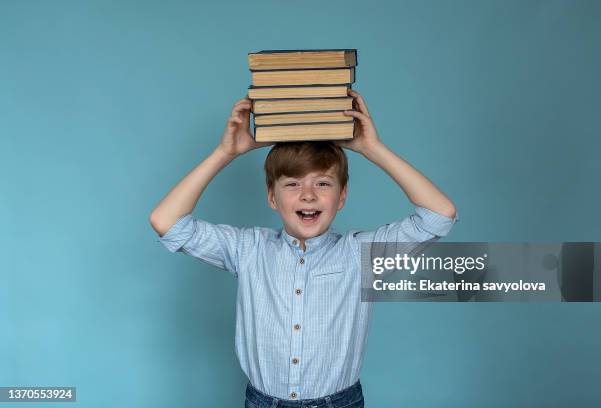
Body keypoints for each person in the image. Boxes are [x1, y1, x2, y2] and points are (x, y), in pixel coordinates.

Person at [149, 89, 458, 407]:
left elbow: (438, 215)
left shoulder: (359, 254)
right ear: (272, 197)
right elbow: (166, 221)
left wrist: (372, 149)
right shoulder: (249, 249)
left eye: (322, 183)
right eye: (293, 184)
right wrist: (226, 153)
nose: (308, 195)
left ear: (341, 197)